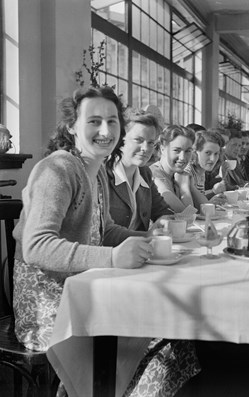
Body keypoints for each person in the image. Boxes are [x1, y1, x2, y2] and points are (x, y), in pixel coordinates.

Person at [12, 87, 199, 396]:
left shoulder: (95, 172)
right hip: (52, 307)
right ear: (72, 126)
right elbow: (37, 247)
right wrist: (112, 259)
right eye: (94, 121)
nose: (105, 130)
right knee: (164, 347)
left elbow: (106, 230)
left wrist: (151, 239)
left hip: (87, 291)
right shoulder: (57, 169)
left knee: (173, 333)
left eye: (112, 122)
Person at [107, 109, 172, 231]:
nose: (145, 148)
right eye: (138, 140)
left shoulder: (144, 173)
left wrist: (163, 220)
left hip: (142, 247)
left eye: (151, 142)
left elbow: (163, 211)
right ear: (121, 139)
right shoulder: (103, 174)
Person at [150, 125, 208, 212]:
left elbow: (207, 209)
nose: (182, 157)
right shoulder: (154, 174)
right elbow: (186, 216)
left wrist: (191, 187)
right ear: (162, 149)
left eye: (188, 151)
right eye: (177, 150)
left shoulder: (180, 174)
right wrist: (184, 187)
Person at [184, 129, 226, 200]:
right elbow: (188, 205)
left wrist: (213, 194)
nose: (213, 159)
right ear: (195, 152)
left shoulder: (201, 171)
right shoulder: (187, 172)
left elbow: (199, 198)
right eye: (208, 153)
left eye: (216, 154)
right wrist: (211, 199)